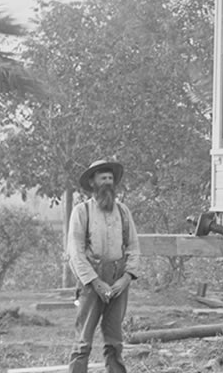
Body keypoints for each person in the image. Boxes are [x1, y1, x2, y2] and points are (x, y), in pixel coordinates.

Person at [65, 160, 142, 373]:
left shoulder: (123, 211)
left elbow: (134, 247)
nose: (107, 182)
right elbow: (75, 252)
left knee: (114, 341)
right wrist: (96, 283)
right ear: (93, 183)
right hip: (91, 281)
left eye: (110, 178)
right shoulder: (82, 212)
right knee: (83, 341)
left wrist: (125, 279)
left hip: (119, 279)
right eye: (102, 178)